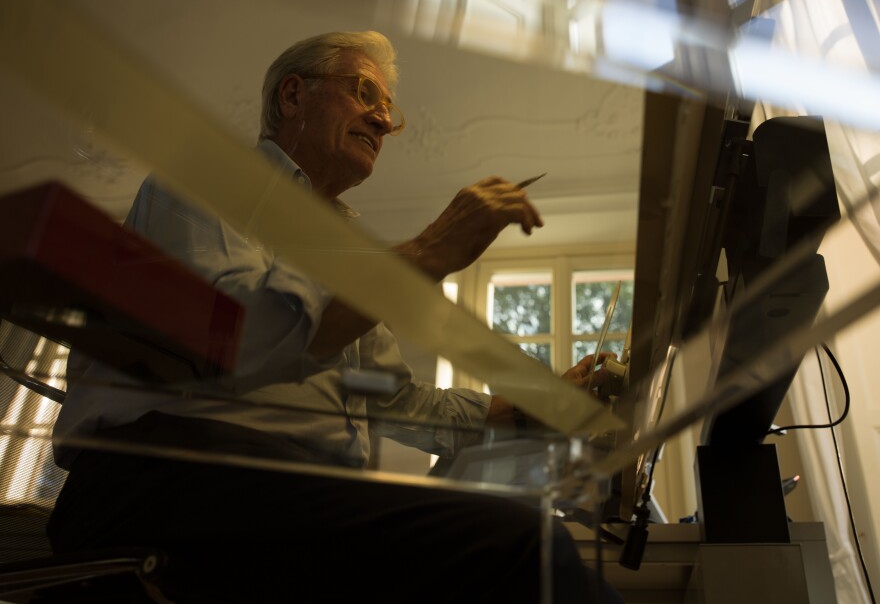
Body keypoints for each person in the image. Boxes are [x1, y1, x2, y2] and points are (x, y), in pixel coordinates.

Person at [48, 31, 624, 603]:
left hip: (277, 490)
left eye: (388, 112)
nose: (381, 120)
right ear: (293, 96)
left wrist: (529, 412)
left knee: (510, 534)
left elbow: (385, 399)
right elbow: (232, 339)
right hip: (163, 479)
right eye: (365, 92)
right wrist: (427, 252)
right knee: (521, 546)